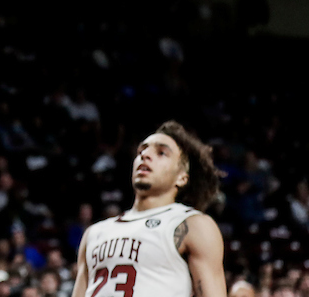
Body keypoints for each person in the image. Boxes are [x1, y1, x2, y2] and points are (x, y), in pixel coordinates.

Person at [71, 121, 226, 297]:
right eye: (141, 150)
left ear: (182, 178)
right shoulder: (94, 232)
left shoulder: (192, 224)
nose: (145, 155)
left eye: (161, 153)